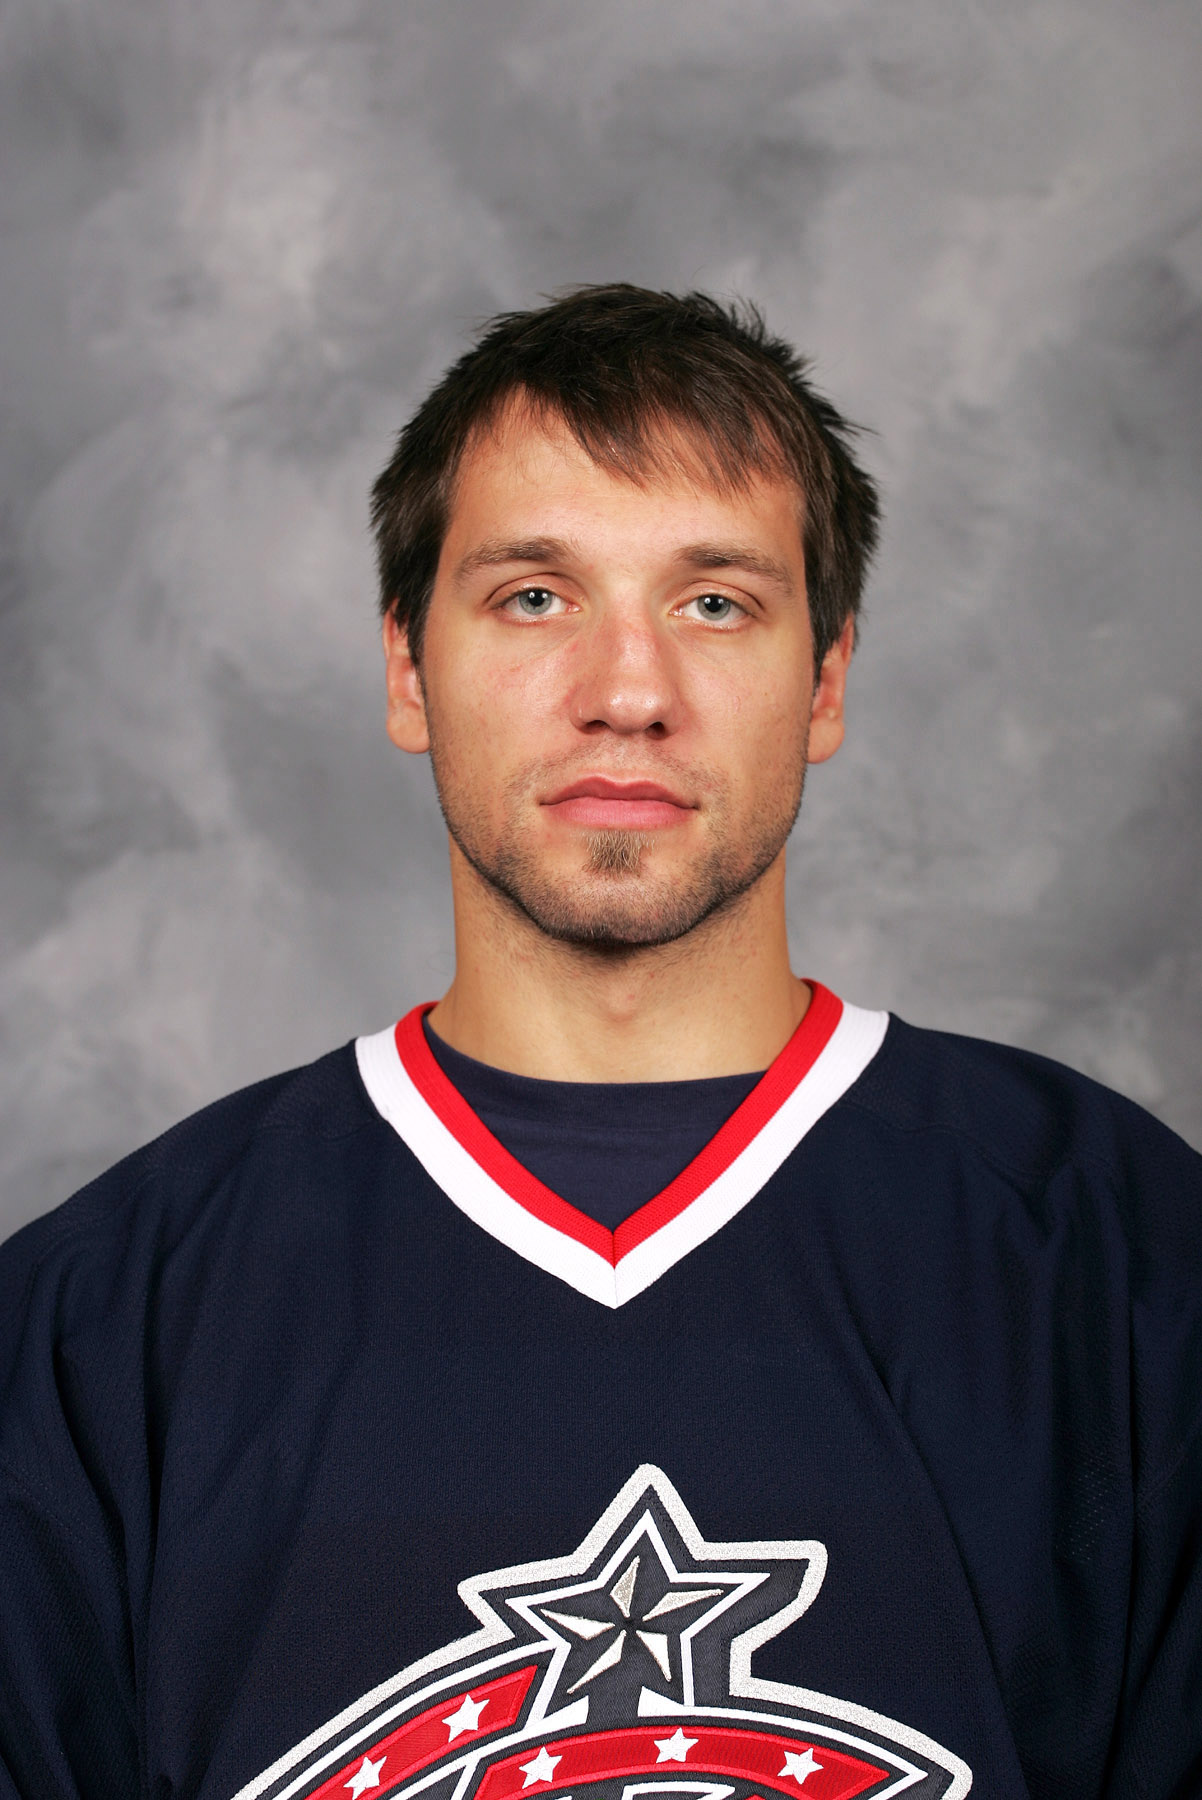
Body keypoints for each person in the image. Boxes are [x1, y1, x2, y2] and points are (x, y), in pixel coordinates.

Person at [0, 285, 1198, 1800]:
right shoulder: (101, 1332)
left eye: (714, 602)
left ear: (822, 679)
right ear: (404, 671)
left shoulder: (1122, 1260)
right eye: (533, 597)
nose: (626, 694)